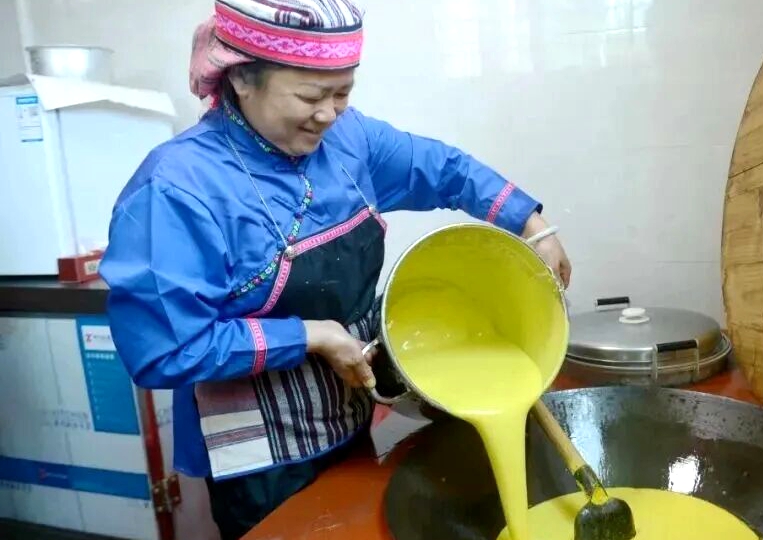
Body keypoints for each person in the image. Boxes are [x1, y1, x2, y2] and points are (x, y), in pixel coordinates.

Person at [98, 0, 571, 537]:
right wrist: (309, 336)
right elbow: (164, 348)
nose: (328, 114)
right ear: (242, 79)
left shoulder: (349, 141)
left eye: (342, 93)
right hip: (263, 460)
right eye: (309, 96)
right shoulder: (177, 188)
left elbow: (443, 169)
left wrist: (532, 223)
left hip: (350, 417)